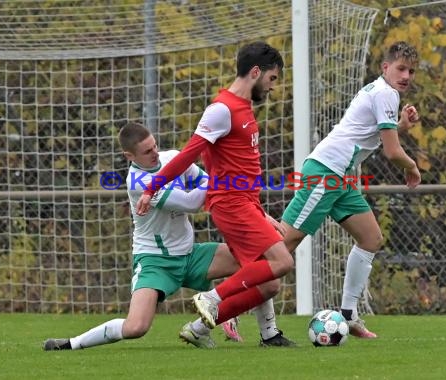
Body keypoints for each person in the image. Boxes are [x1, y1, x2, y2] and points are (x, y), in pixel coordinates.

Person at [43, 122, 288, 350]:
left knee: (264, 272)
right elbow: (193, 202)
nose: (155, 153)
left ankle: (265, 335)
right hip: (156, 262)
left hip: (191, 254)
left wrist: (261, 217)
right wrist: (220, 174)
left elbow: (212, 185)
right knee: (136, 327)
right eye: (147, 151)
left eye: (155, 146)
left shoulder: (172, 158)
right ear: (130, 156)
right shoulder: (138, 182)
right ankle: (71, 344)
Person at [135, 42, 296, 347]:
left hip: (244, 203)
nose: (273, 87)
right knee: (283, 261)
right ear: (256, 72)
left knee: (269, 282)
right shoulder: (222, 109)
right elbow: (190, 154)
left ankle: (200, 329)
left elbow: (238, 168)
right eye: (272, 79)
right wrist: (153, 187)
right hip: (231, 205)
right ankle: (211, 297)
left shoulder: (243, 108)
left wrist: (261, 213)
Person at [281, 41, 422, 339]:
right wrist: (412, 166)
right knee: (283, 245)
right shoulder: (386, 92)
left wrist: (401, 126)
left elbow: (374, 133)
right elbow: (392, 152)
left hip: (339, 177)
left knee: (371, 237)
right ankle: (224, 304)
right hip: (324, 172)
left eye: (411, 70)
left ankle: (348, 314)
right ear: (385, 67)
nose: (406, 75)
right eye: (400, 68)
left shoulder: (380, 91)